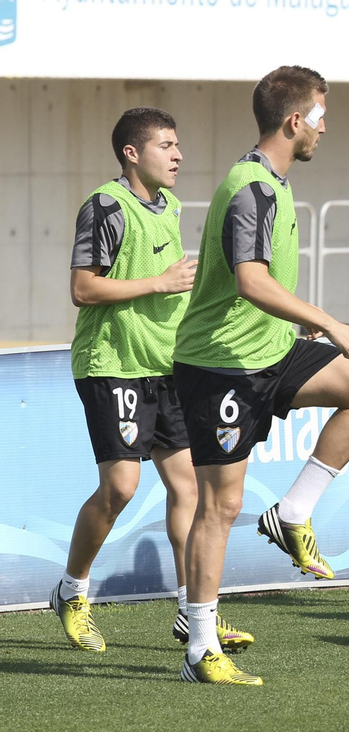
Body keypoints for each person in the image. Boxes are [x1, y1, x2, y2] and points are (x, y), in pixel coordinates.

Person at [173, 66, 349, 684]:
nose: (325, 128)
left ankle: (293, 513)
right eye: (321, 117)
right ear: (296, 121)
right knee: (220, 506)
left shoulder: (274, 182)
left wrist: (303, 329)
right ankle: (200, 650)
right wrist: (326, 322)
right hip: (221, 364)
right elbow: (251, 281)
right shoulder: (251, 187)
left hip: (270, 352)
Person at [52, 107, 252, 655]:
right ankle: (72, 593)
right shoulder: (106, 206)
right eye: (166, 145)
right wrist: (158, 282)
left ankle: (193, 613)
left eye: (178, 144)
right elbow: (83, 289)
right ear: (132, 153)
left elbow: (178, 289)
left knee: (190, 488)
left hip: (167, 366)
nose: (178, 155)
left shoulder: (172, 207)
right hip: (113, 363)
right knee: (120, 487)